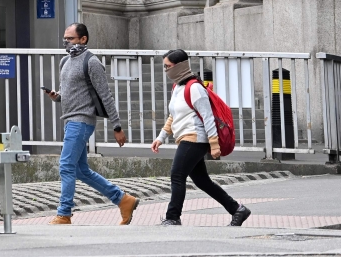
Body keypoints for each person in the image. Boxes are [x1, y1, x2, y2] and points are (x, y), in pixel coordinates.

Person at [43, 23, 140, 225]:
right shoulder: (65, 61)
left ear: (83, 39)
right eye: (65, 38)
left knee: (66, 166)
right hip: (70, 120)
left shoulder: (92, 62)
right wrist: (56, 96)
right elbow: (68, 92)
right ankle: (123, 200)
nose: (66, 42)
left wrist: (117, 126)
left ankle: (64, 213)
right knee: (80, 171)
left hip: (82, 121)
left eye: (70, 38)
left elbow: (105, 96)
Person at [151, 49, 251, 226]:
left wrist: (214, 145)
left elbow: (208, 118)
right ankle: (237, 209)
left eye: (168, 66)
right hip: (185, 138)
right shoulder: (177, 88)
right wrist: (161, 137)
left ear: (180, 66)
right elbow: (173, 116)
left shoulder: (195, 88)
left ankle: (173, 217)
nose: (166, 70)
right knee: (202, 181)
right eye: (164, 67)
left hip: (195, 138)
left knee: (177, 175)